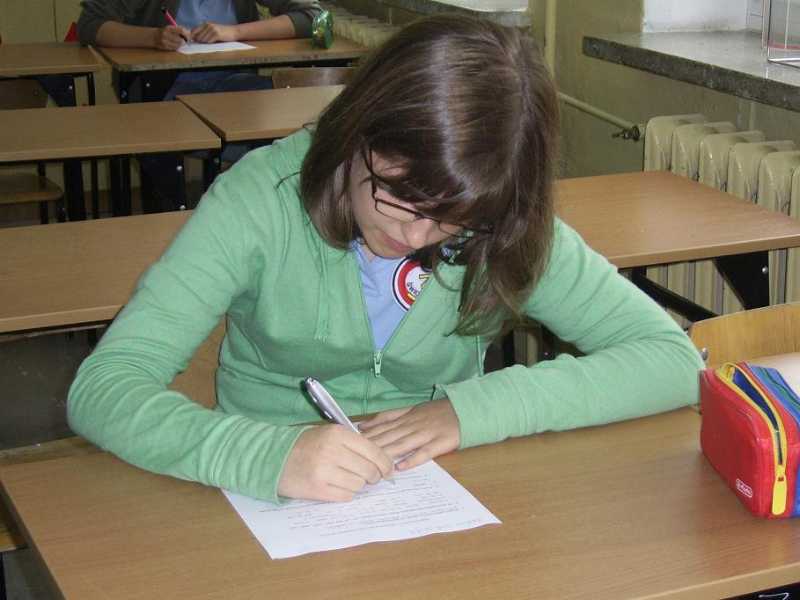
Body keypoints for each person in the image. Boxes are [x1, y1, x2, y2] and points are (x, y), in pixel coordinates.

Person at [67, 15, 704, 504]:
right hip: (269, 494)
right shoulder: (259, 200)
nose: (418, 235)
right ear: (357, 132)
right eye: (399, 197)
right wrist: (264, 455)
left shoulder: (498, 213)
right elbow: (105, 386)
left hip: (443, 491)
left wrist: (471, 411)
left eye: (455, 219)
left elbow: (671, 359)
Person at [76, 0, 322, 210]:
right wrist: (153, 37)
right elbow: (90, 24)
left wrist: (235, 32)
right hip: (166, 88)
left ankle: (267, 219)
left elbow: (312, 16)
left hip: (234, 84)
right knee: (157, 133)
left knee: (285, 117)